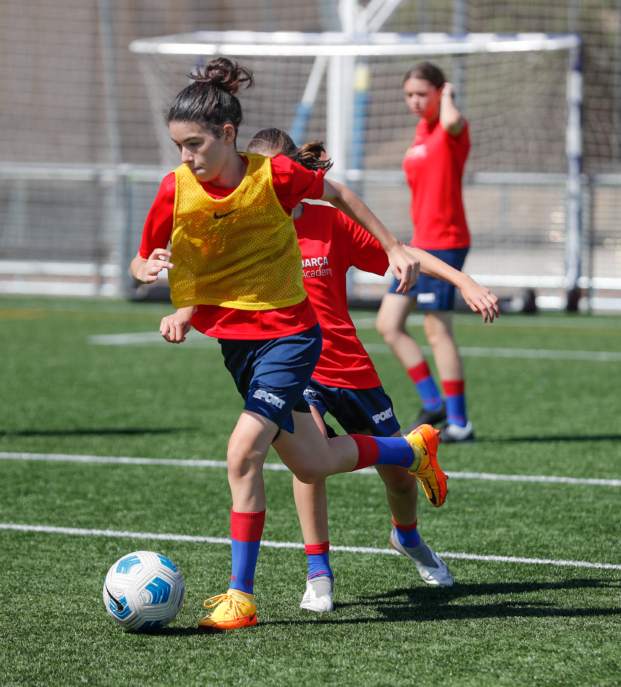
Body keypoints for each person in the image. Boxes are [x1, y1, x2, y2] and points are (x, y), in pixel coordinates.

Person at [130, 58, 449, 631]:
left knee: (242, 452)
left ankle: (240, 596)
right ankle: (411, 450)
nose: (186, 157)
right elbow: (142, 255)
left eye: (195, 145)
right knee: (314, 460)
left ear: (228, 135)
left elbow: (339, 193)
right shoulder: (174, 189)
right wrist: (148, 268)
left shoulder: (272, 177)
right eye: (178, 146)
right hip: (238, 347)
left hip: (290, 337)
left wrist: (392, 247)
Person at [246, 129, 499, 612]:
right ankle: (318, 570)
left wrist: (463, 280)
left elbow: (402, 252)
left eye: (283, 173)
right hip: (296, 369)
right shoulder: (250, 231)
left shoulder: (329, 222)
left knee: (401, 481)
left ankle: (407, 537)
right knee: (309, 459)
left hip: (352, 369)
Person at [376, 61, 475, 442]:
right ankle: (432, 402)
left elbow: (451, 123)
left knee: (437, 331)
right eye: (409, 95)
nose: (415, 101)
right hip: (419, 243)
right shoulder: (421, 131)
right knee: (388, 324)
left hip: (446, 243)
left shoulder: (452, 129)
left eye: (423, 94)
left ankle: (460, 423)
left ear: (439, 92)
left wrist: (448, 95)